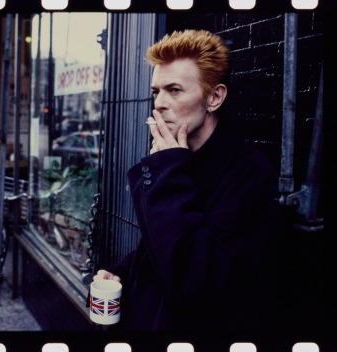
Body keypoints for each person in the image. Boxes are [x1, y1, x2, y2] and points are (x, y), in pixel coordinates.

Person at [93, 29, 281, 333]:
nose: (160, 104)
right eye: (157, 91)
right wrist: (122, 273)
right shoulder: (178, 157)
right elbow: (161, 244)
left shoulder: (246, 176)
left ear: (214, 97)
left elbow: (194, 280)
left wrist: (167, 171)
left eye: (175, 90)